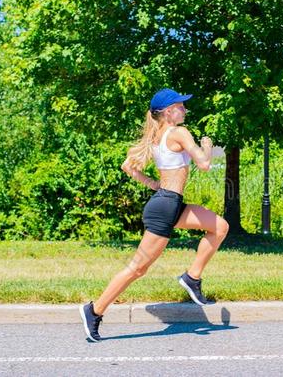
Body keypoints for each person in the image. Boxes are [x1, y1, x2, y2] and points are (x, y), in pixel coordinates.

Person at [79, 88, 230, 342]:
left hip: (171, 203)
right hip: (165, 208)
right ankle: (94, 311)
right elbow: (204, 165)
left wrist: (153, 185)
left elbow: (128, 167)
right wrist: (207, 146)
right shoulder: (180, 132)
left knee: (220, 227)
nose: (185, 109)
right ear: (170, 111)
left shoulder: (158, 134)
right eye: (182, 106)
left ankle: (192, 278)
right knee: (137, 268)